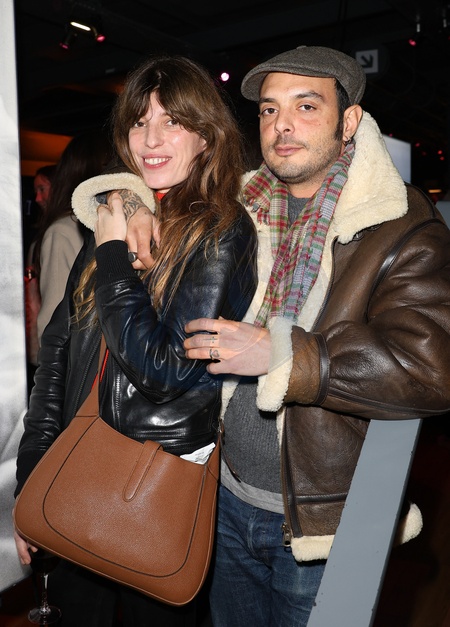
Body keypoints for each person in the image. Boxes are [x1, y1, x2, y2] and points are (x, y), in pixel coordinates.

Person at [175, 45, 450, 625]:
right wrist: (127, 202)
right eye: (269, 110)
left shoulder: (399, 222)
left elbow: (429, 370)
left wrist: (284, 354)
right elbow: (158, 173)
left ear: (348, 121)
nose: (282, 125)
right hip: (223, 497)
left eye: (306, 106)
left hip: (328, 521)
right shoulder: (235, 207)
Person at [13, 54, 257, 627]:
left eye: (172, 121)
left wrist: (112, 254)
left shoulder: (220, 230)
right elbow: (56, 359)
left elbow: (164, 372)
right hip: (76, 470)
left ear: (206, 137)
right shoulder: (116, 214)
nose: (151, 139)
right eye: (139, 122)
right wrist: (32, 479)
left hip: (151, 483)